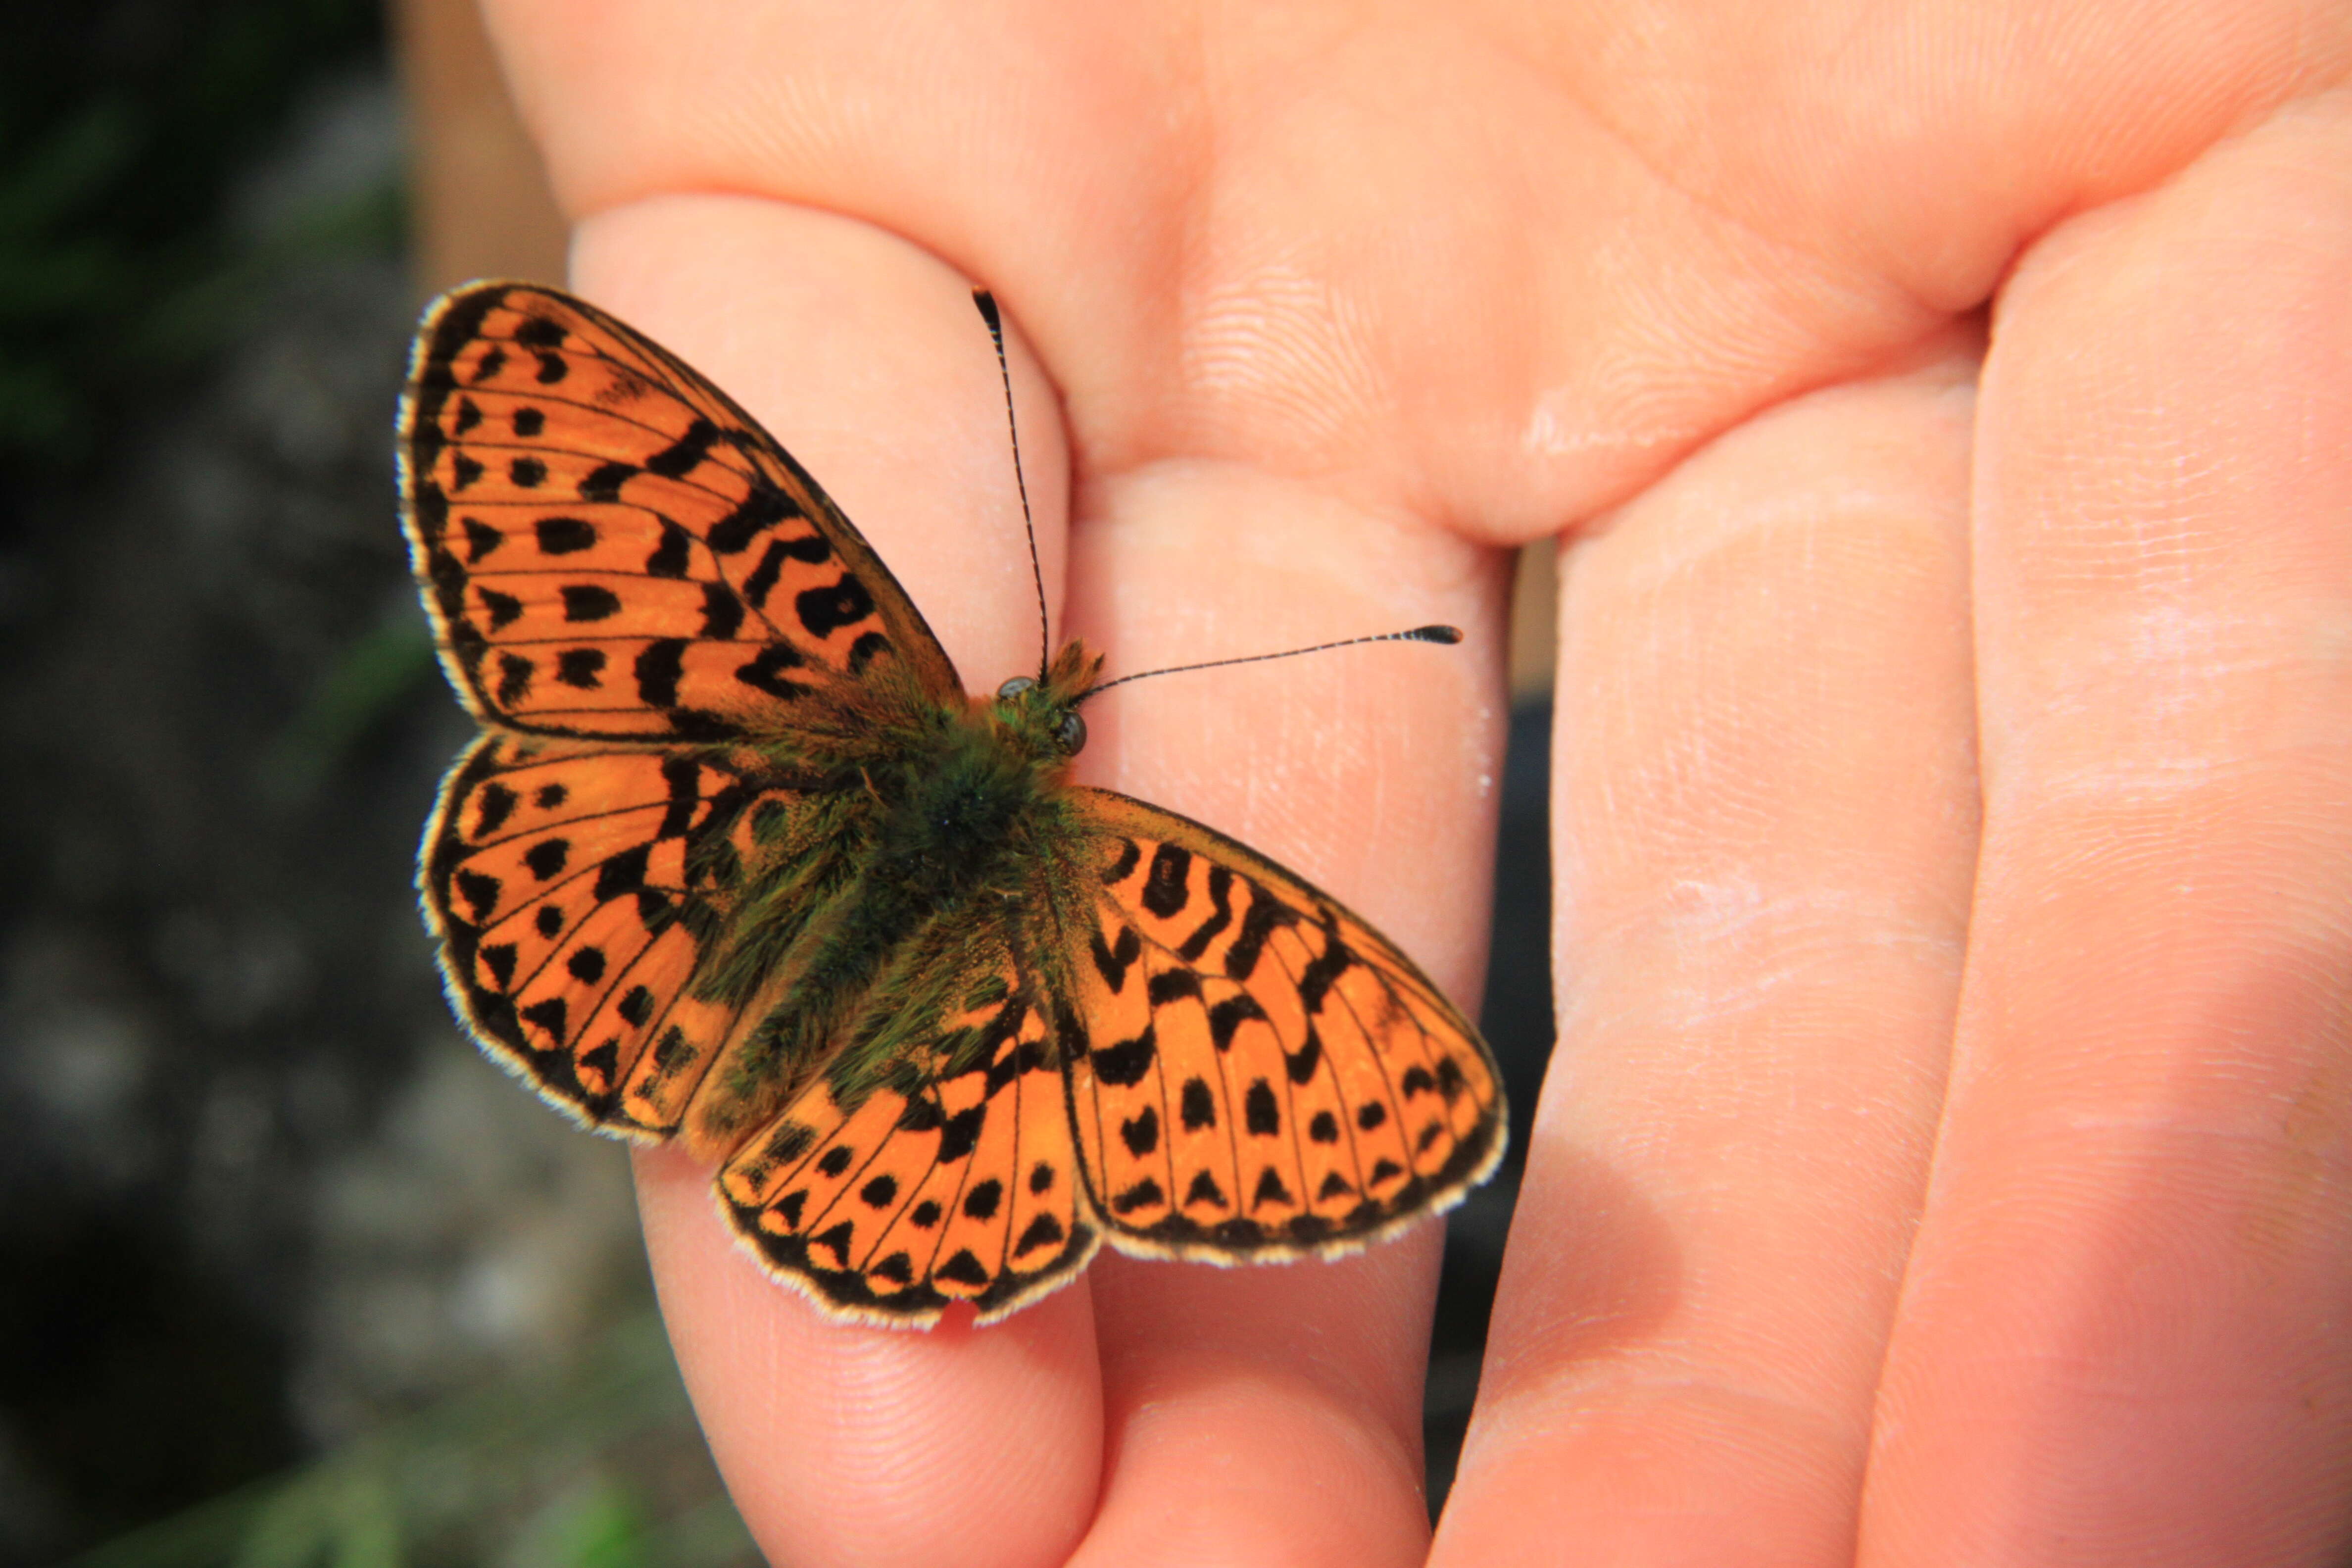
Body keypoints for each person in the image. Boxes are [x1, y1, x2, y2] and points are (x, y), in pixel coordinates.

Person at [476, 2, 2352, 1561]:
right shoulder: (1151, 902)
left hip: (645, 864)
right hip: (940, 1120)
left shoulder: (839, 648)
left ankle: (633, 1013)